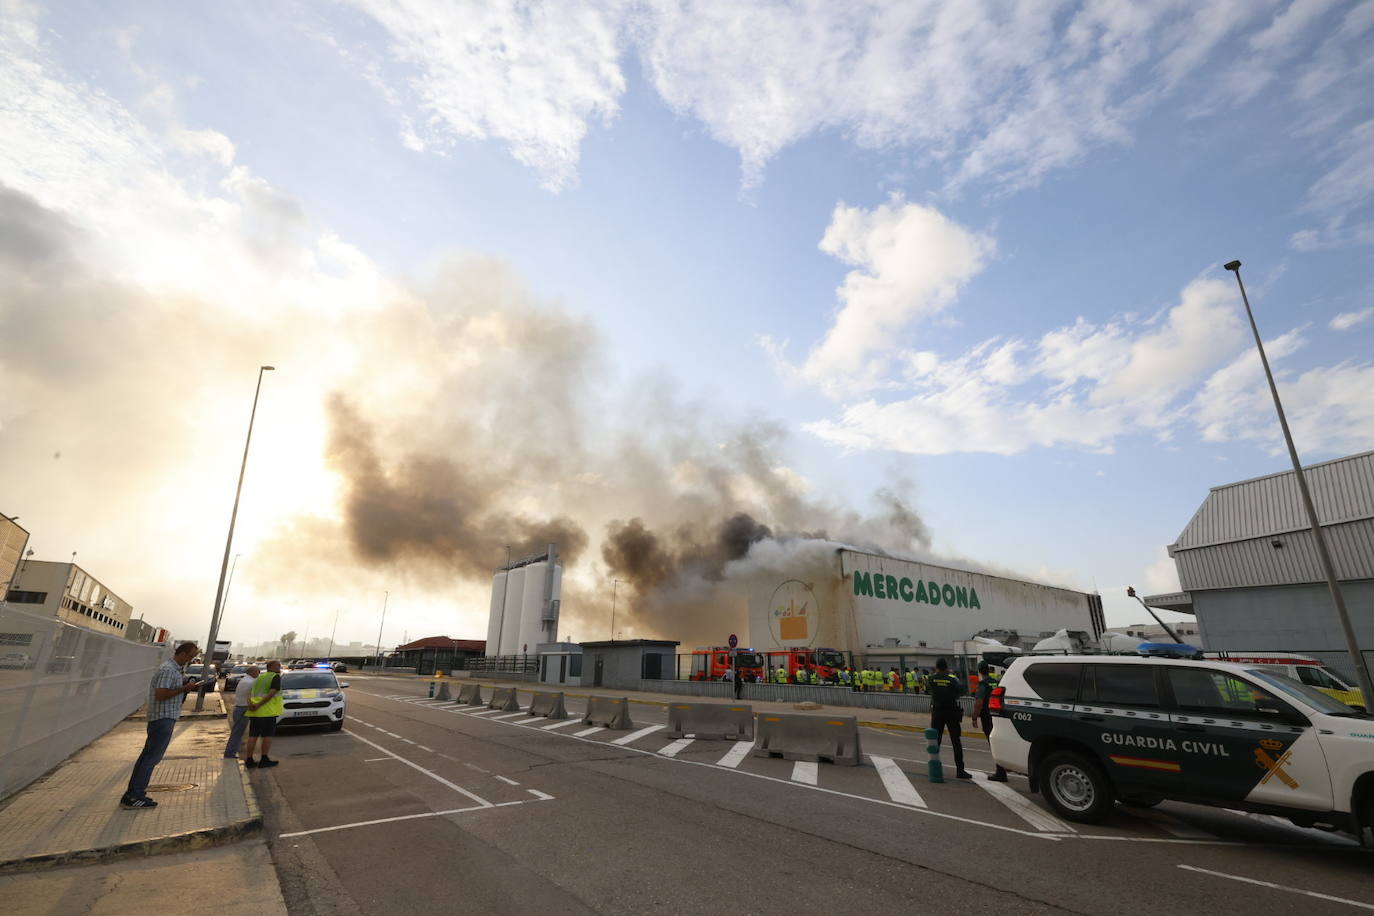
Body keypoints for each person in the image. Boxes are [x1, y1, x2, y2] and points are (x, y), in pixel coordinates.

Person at [120, 641, 202, 809]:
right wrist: (184, 688)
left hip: (164, 718)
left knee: (146, 758)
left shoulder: (174, 670)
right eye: (190, 656)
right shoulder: (168, 670)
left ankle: (133, 794)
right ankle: (135, 795)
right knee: (150, 759)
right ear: (182, 653)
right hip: (162, 718)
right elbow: (161, 695)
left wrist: (184, 689)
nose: (190, 660)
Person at [928, 657, 971, 779]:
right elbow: (962, 691)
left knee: (935, 742)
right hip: (952, 712)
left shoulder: (931, 679)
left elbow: (927, 689)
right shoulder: (953, 679)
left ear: (936, 667)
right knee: (956, 741)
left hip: (937, 713)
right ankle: (960, 770)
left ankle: (934, 769)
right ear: (946, 667)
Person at [243, 659, 283, 769]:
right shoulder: (275, 677)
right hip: (267, 711)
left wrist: (250, 704)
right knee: (267, 736)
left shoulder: (259, 677)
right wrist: (259, 704)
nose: (279, 668)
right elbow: (272, 693)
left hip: (255, 712)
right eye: (277, 666)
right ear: (271, 667)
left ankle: (249, 760)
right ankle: (264, 759)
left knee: (253, 736)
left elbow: (249, 693)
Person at [973, 662, 1008, 781]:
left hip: (987, 717)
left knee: (993, 744)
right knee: (998, 743)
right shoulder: (995, 682)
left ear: (980, 671)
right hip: (997, 715)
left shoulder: (982, 684)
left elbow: (979, 702)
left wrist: (974, 717)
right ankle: (1003, 769)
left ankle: (1001, 772)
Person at [223, 664, 260, 760]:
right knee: (237, 733)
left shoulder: (244, 680)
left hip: (239, 708)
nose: (259, 673)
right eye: (257, 671)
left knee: (237, 732)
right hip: (243, 709)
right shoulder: (251, 682)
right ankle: (230, 753)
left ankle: (232, 751)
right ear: (252, 672)